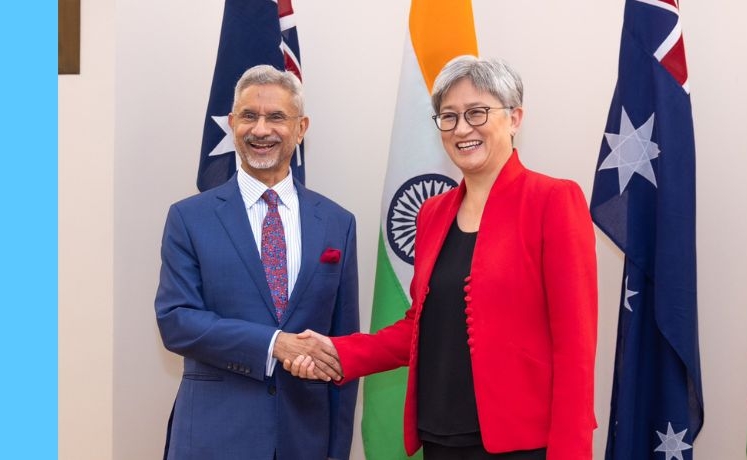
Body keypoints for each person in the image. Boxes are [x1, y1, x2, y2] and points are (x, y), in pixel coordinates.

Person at [291, 56, 598, 459]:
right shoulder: (432, 214)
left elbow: (576, 348)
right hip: (439, 438)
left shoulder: (554, 201)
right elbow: (420, 325)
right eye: (448, 117)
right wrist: (340, 352)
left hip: (522, 446)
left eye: (477, 112)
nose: (462, 128)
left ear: (515, 118)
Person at [154, 64, 359, 460]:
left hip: (306, 440)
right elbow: (176, 320)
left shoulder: (338, 223)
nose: (261, 129)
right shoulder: (189, 218)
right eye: (249, 116)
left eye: (277, 117)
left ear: (301, 128)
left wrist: (337, 451)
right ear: (232, 124)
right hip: (213, 440)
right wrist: (273, 345)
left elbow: (342, 349)